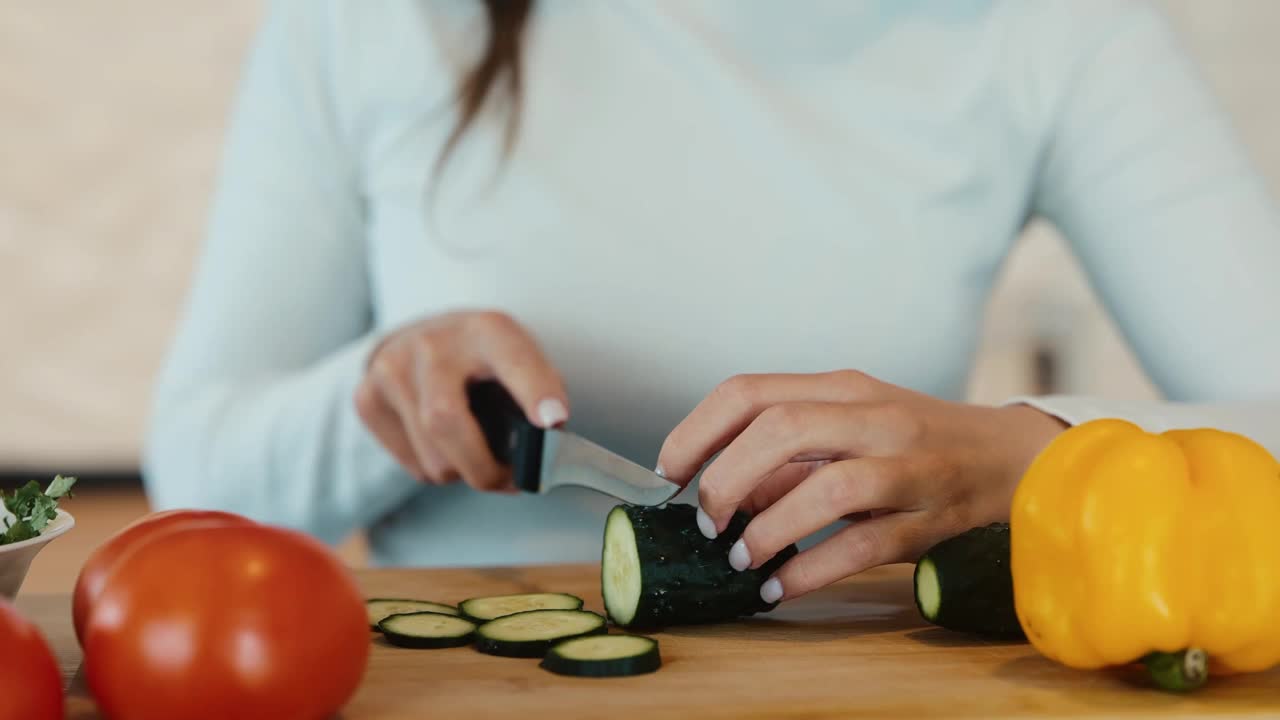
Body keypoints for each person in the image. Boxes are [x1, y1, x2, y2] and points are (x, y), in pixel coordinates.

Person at [143, 0, 1280, 605]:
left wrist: (1036, 453)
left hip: (862, 680)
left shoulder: (1053, 27)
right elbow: (195, 475)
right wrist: (379, 393)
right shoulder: (368, 18)